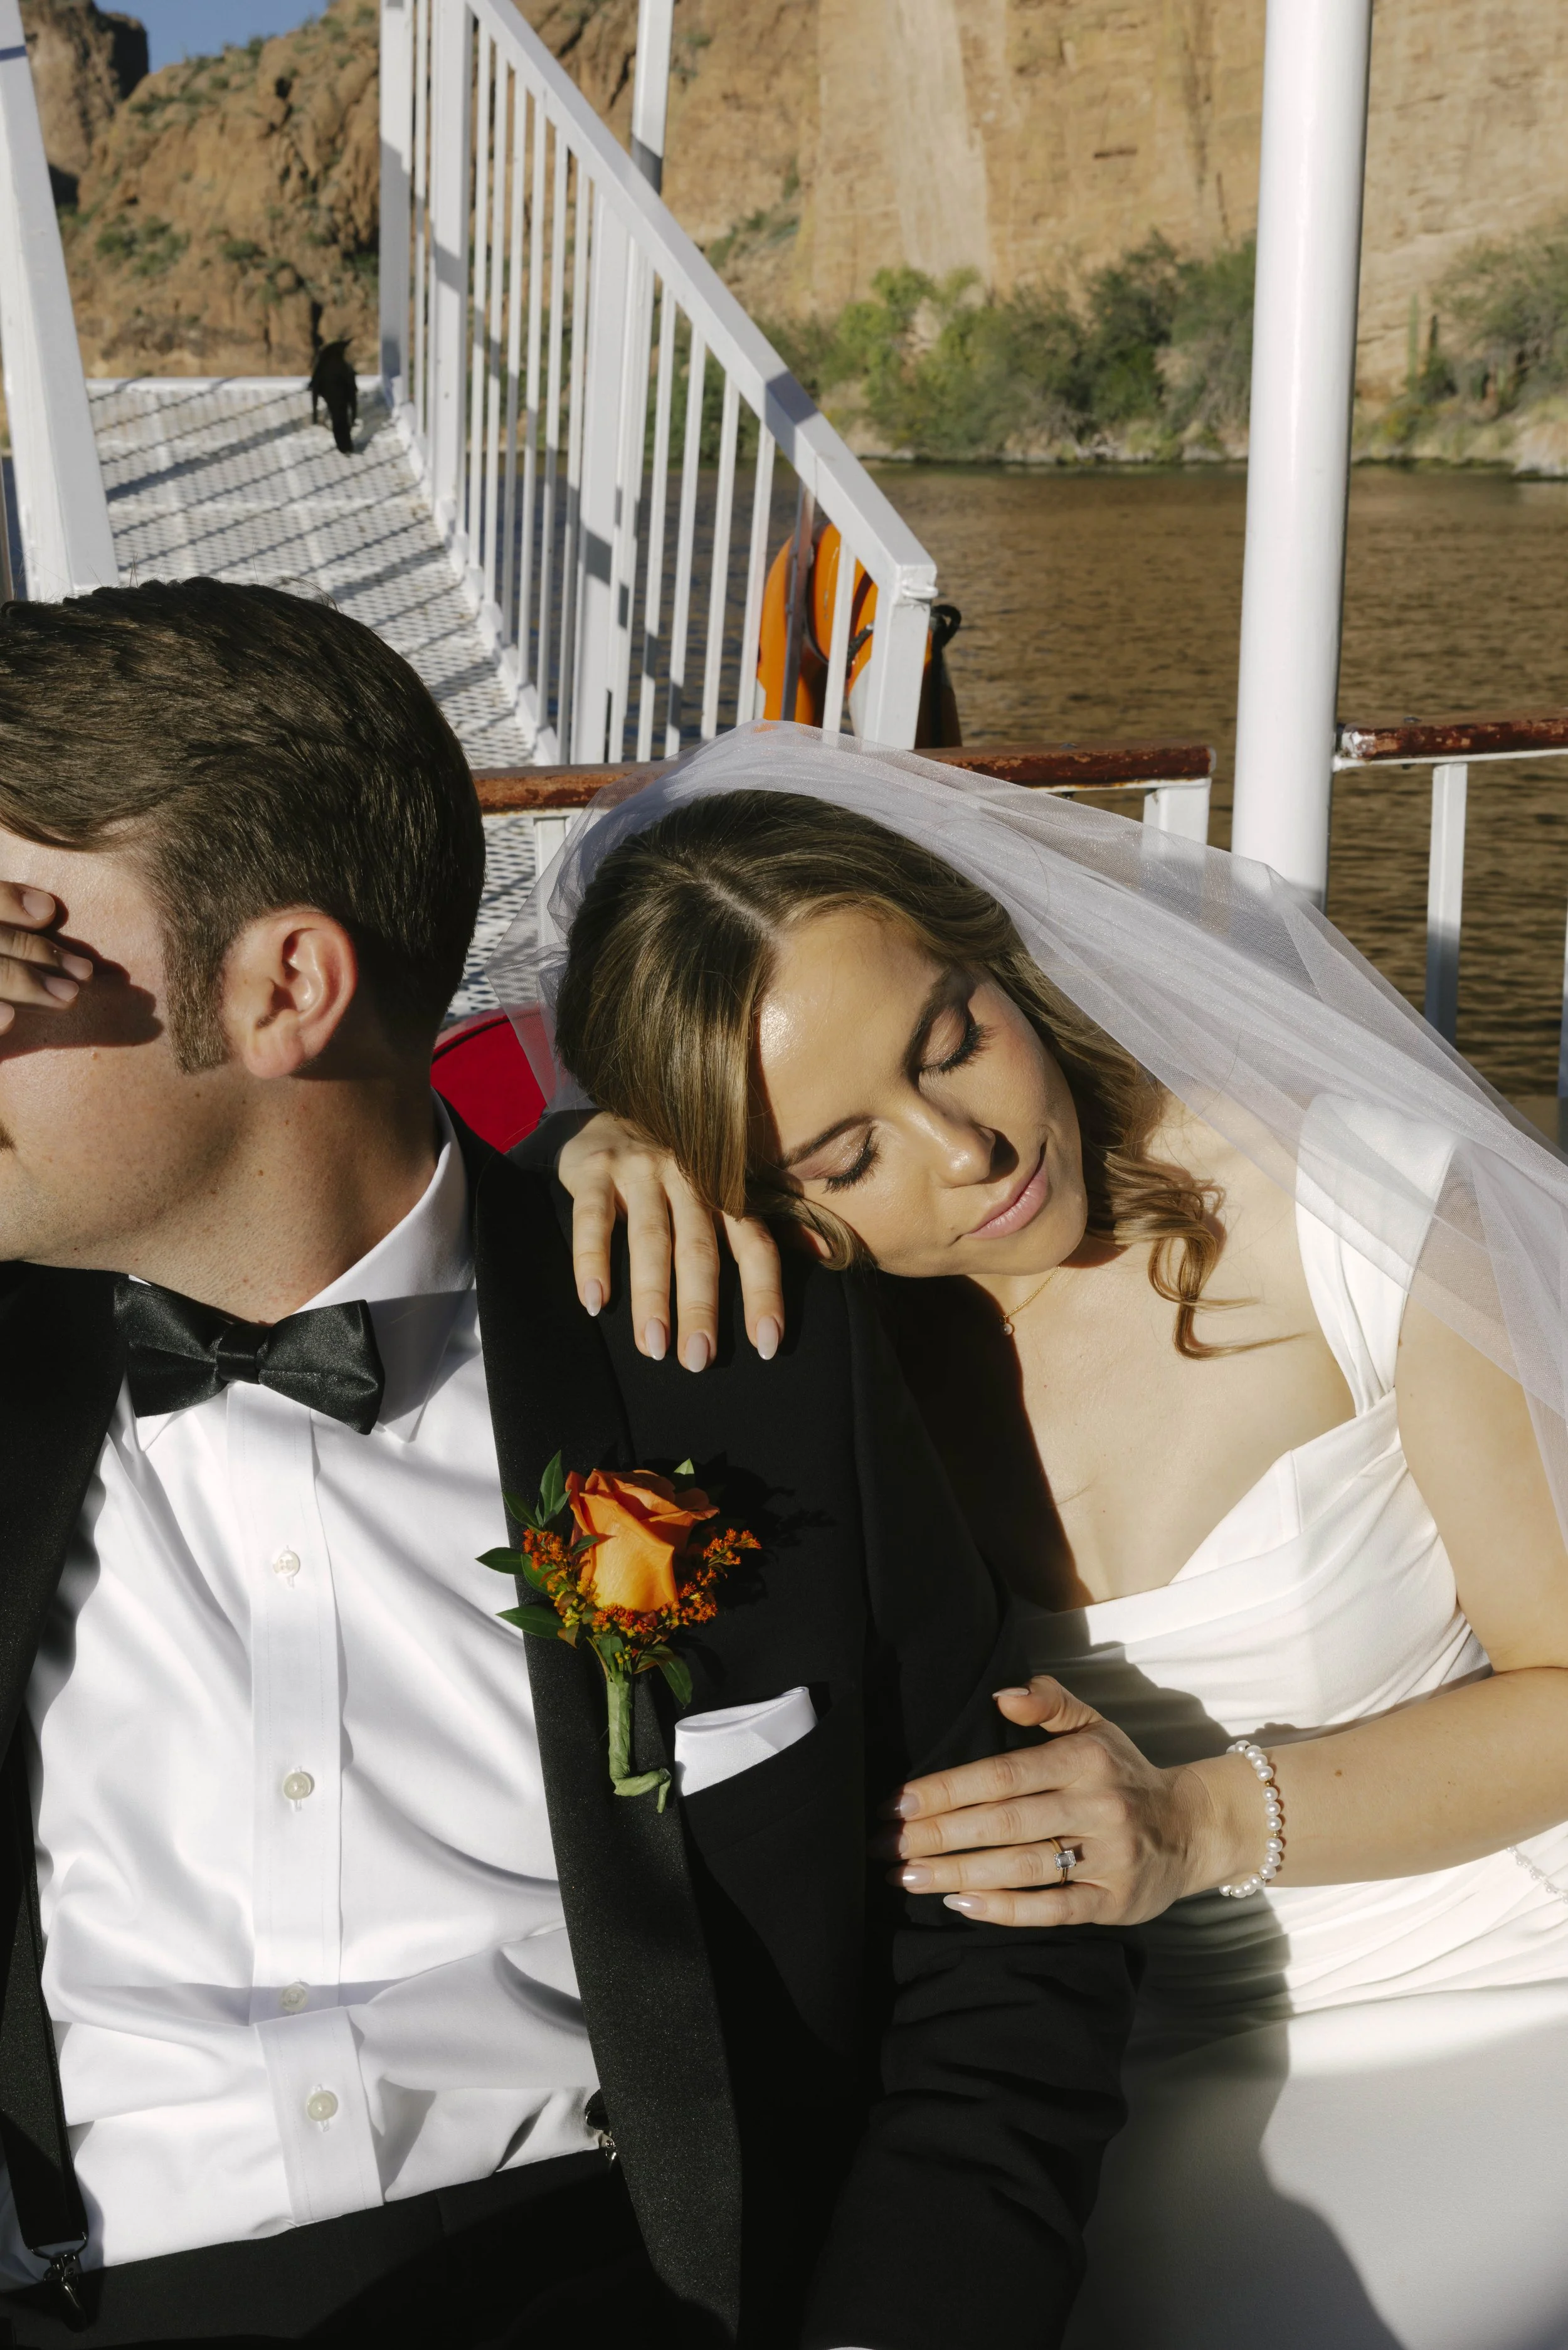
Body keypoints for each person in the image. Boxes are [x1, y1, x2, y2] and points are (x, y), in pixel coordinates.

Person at [0, 584, 1135, 2350]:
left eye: (20, 932)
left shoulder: (727, 1338)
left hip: (622, 2284)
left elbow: (1000, 1920)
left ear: (287, 986)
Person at [501, 726, 1568, 2350]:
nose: (969, 1155)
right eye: (845, 1158)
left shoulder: (1359, 1205)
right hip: (1009, 2108)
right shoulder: (788, 1348)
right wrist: (567, 1154)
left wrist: (1201, 1823)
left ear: (997, 953)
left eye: (953, 1038)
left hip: (1476, 1996)